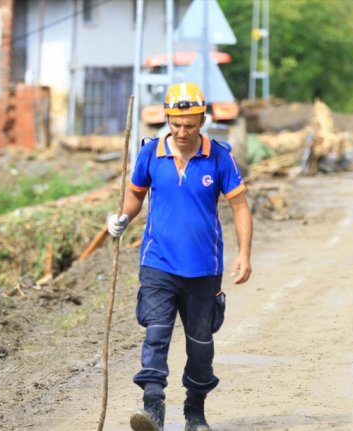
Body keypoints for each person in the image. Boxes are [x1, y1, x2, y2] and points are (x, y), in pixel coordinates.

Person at [107, 82, 253, 431]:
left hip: (204, 268)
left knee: (200, 346)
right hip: (158, 262)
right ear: (167, 119)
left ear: (202, 119)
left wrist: (244, 254)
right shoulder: (149, 153)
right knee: (156, 334)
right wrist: (122, 218)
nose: (182, 132)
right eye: (175, 124)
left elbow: (240, 206)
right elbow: (135, 195)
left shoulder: (219, 156)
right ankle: (153, 407)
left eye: (190, 124)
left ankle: (195, 412)